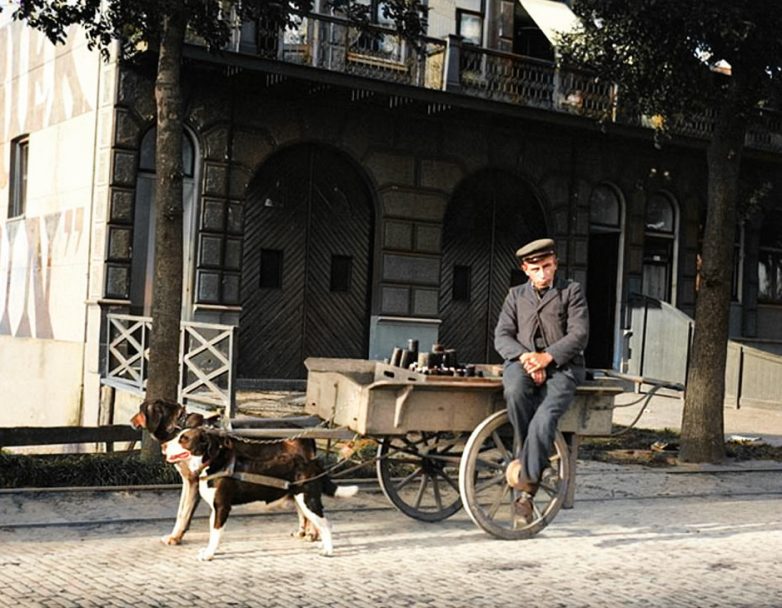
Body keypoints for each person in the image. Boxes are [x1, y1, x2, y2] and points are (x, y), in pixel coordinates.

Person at [494, 238, 589, 526]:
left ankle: (526, 492)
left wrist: (547, 358)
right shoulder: (515, 296)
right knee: (514, 390)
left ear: (555, 264)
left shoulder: (571, 291)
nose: (543, 274)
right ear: (525, 269)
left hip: (563, 369)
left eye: (547, 267)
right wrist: (526, 358)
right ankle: (536, 461)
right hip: (522, 365)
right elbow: (502, 336)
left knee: (545, 417)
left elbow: (578, 334)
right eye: (536, 268)